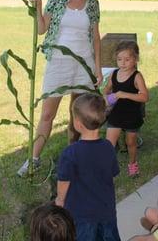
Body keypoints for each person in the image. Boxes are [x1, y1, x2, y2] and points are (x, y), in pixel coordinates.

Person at [18, 0, 103, 176]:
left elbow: (95, 38)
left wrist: (98, 68)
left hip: (84, 64)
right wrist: (37, 7)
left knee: (80, 116)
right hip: (59, 63)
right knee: (48, 115)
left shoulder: (93, 4)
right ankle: (33, 159)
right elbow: (41, 29)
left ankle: (73, 158)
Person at [56, 93, 121, 241]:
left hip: (81, 216)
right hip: (106, 211)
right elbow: (111, 174)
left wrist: (60, 201)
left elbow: (63, 182)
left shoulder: (70, 153)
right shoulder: (108, 147)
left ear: (78, 124)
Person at [104, 40, 149, 177]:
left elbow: (145, 97)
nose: (123, 63)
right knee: (109, 143)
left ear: (135, 59)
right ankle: (106, 167)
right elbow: (107, 89)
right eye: (119, 59)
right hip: (116, 114)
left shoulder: (137, 76)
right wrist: (106, 97)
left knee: (130, 142)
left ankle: (132, 164)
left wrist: (124, 94)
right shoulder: (114, 73)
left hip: (132, 115)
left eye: (127, 59)